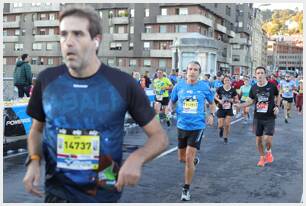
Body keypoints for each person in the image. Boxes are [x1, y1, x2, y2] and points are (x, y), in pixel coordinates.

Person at [23, 5, 168, 203]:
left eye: (78, 34)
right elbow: (36, 130)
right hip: (57, 193)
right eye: (63, 34)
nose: (69, 42)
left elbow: (159, 137)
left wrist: (137, 158)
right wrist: (33, 160)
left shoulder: (122, 84)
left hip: (102, 193)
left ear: (96, 40)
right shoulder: (47, 79)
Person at [166, 61, 215, 201]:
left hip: (197, 126)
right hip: (182, 126)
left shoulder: (204, 87)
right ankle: (194, 161)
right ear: (186, 71)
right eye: (190, 69)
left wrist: (211, 115)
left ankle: (186, 189)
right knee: (182, 158)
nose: (192, 72)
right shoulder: (179, 86)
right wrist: (169, 107)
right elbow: (172, 101)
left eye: (195, 70)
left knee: (188, 157)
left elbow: (212, 104)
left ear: (199, 73)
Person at [235, 66, 280, 167]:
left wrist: (277, 106)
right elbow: (251, 100)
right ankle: (262, 157)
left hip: (270, 117)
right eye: (258, 73)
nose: (260, 75)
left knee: (267, 139)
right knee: (259, 140)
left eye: (262, 73)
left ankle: (269, 151)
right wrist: (240, 105)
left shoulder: (272, 86)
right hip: (258, 117)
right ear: (255, 75)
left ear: (265, 74)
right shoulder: (254, 87)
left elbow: (278, 95)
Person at [214, 75, 239, 144]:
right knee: (220, 125)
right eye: (225, 80)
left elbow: (236, 99)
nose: (227, 81)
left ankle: (225, 137)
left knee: (227, 125)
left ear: (230, 81)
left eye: (228, 80)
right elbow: (215, 97)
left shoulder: (233, 90)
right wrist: (219, 100)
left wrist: (232, 100)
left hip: (229, 109)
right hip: (221, 108)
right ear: (223, 81)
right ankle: (221, 129)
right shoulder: (220, 89)